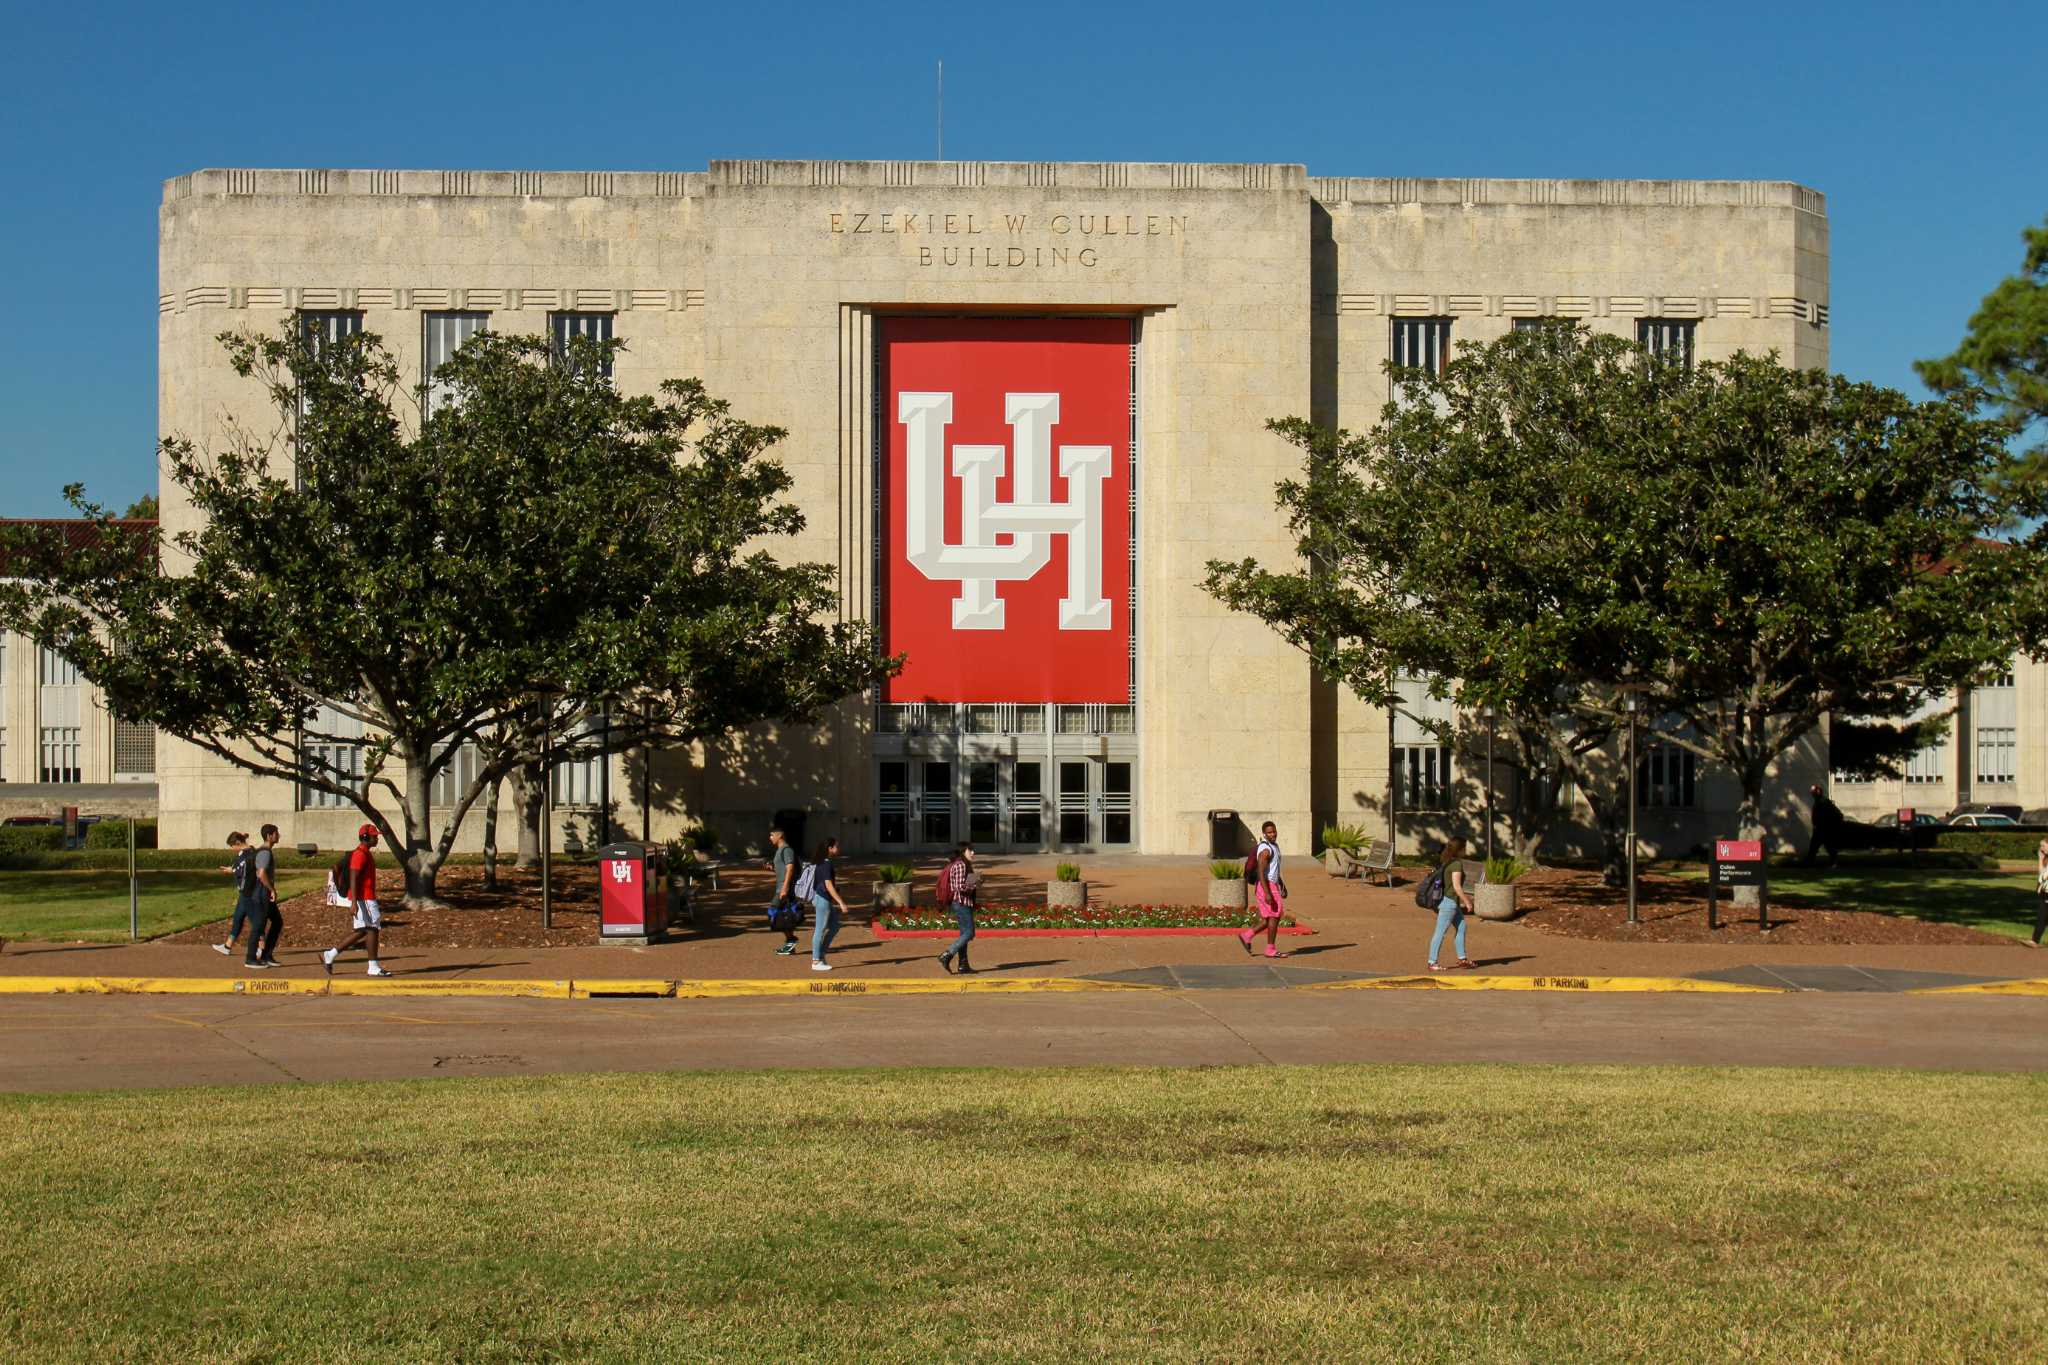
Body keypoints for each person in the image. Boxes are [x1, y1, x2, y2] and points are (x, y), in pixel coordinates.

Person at [322, 824, 390, 977]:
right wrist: (353, 902)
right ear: (365, 837)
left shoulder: (364, 852)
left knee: (362, 930)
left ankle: (330, 954)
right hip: (364, 898)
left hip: (363, 897)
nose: (377, 838)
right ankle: (373, 967)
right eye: (374, 836)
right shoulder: (360, 854)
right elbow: (354, 876)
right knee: (373, 929)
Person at [1237, 820, 1291, 959]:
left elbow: (1273, 870)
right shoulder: (1265, 850)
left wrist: (1282, 885)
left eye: (1274, 831)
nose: (1272, 834)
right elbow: (1261, 872)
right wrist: (1267, 893)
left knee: (1269, 918)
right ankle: (1270, 949)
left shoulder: (1274, 846)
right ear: (1264, 834)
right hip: (1266, 886)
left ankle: (1246, 935)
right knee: (1275, 916)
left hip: (1271, 884)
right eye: (1269, 832)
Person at [1427, 836, 1477, 972]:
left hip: (1450, 902)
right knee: (1440, 932)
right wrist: (1467, 901)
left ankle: (1462, 959)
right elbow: (1457, 886)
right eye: (1465, 847)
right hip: (1449, 903)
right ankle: (1432, 962)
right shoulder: (1456, 864)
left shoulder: (1447, 861)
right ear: (1459, 849)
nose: (1466, 850)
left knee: (1461, 927)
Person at [240, 824, 284, 970]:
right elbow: (261, 873)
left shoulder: (264, 851)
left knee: (277, 922)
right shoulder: (265, 853)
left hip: (264, 895)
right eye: (276, 833)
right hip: (261, 895)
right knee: (258, 926)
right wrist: (272, 889)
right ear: (269, 836)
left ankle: (266, 955)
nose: (279, 835)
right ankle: (250, 958)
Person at [809, 836, 853, 972]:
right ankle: (816, 960)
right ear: (830, 848)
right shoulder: (826, 864)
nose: (838, 848)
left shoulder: (822, 862)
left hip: (823, 899)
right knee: (820, 929)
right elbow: (828, 885)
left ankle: (821, 955)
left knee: (834, 926)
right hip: (823, 899)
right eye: (836, 846)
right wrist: (841, 903)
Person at [938, 843, 980, 974]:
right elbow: (958, 886)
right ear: (963, 851)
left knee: (964, 934)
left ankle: (963, 964)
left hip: (962, 902)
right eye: (970, 850)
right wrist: (974, 884)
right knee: (969, 933)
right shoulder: (961, 864)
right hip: (961, 903)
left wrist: (974, 879)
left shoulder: (962, 864)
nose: (973, 853)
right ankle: (947, 954)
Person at [212, 832, 254, 957]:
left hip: (248, 893)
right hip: (244, 892)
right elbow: (239, 867)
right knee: (238, 918)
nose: (232, 849)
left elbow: (244, 870)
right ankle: (227, 946)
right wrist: (232, 869)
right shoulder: (247, 852)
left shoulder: (248, 854)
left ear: (237, 843)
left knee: (255, 921)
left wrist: (232, 871)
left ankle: (261, 948)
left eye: (232, 846)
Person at [764, 824, 801, 956]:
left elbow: (790, 868)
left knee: (774, 913)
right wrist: (772, 868)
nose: (770, 838)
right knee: (783, 915)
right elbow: (784, 870)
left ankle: (791, 940)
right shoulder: (780, 850)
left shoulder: (786, 850)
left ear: (779, 835)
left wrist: (785, 887)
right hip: (781, 888)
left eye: (772, 835)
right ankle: (790, 943)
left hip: (784, 889)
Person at [1804, 783, 1845, 867]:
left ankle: (1832, 863)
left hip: (1824, 829)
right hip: (1820, 829)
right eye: (1812, 792)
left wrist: (1827, 824)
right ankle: (1809, 863)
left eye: (1813, 792)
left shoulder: (1824, 802)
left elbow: (1837, 814)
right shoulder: (1819, 801)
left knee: (1824, 847)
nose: (1812, 794)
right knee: (1817, 847)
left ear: (1817, 792)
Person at [2033, 836, 2048, 949]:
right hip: (2045, 893)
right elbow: (2041, 874)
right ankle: (2034, 941)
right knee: (2041, 917)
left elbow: (2044, 876)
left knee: (2043, 917)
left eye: (2043, 845)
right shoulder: (2046, 859)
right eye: (2040, 846)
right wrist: (2040, 859)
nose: (2041, 848)